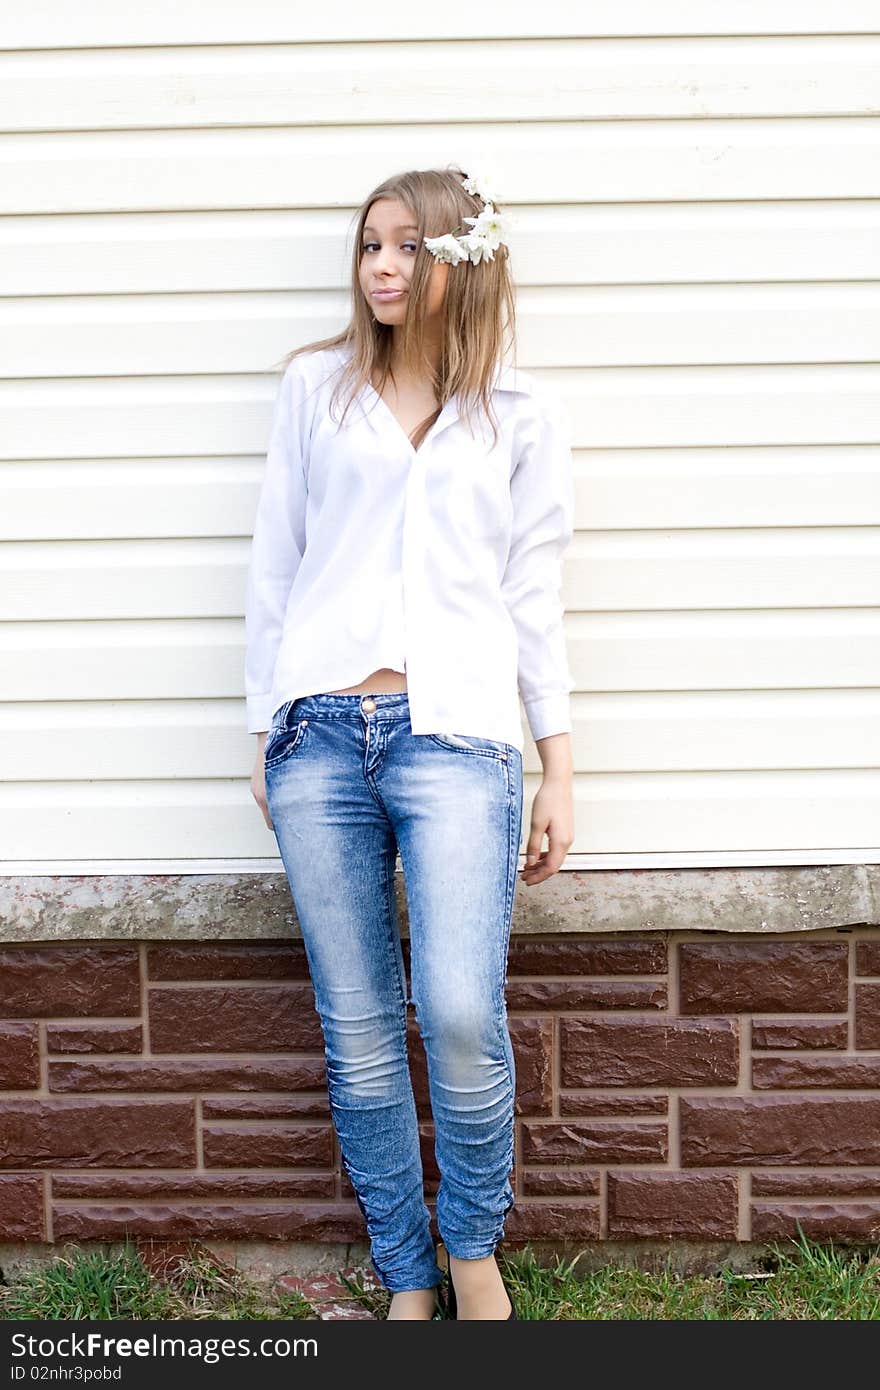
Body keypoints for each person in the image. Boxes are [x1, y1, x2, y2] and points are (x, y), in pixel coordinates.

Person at [245, 166, 575, 1320]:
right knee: (359, 1023)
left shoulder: (517, 416)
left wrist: (560, 764)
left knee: (458, 1008)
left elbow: (532, 594)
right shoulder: (314, 390)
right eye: (369, 247)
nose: (382, 267)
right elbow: (274, 568)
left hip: (459, 740)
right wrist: (264, 728)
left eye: (406, 247)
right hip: (320, 737)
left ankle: (472, 1246)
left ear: (460, 263)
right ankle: (407, 1271)